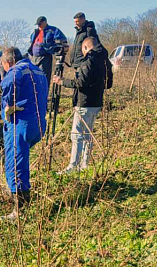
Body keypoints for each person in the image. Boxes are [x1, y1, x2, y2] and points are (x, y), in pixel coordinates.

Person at [0, 47, 48, 220]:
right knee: (22, 160)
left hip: (20, 123)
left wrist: (7, 105)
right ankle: (20, 193)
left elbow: (8, 84)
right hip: (39, 123)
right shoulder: (38, 71)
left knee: (15, 164)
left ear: (8, 62)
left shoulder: (16, 71)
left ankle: (19, 210)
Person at [53, 37, 108, 174]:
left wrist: (62, 81)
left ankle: (73, 166)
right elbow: (109, 82)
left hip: (84, 103)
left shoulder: (89, 61)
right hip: (96, 103)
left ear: (85, 48)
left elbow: (80, 83)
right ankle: (84, 165)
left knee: (77, 135)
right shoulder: (104, 60)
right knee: (87, 135)